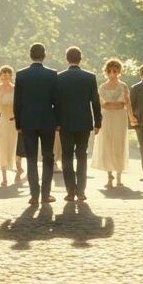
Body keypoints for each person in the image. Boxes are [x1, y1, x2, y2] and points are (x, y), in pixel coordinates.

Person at [54, 46, 102, 202]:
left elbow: (56, 103)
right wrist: (98, 122)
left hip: (65, 123)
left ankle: (70, 191)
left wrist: (56, 122)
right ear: (80, 59)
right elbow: (95, 101)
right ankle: (81, 191)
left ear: (67, 59)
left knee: (67, 157)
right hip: (84, 122)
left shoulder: (59, 77)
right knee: (82, 156)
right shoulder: (90, 77)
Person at [13, 43, 59, 205]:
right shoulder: (52, 74)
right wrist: (57, 121)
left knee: (31, 158)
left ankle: (34, 195)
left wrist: (18, 123)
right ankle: (45, 194)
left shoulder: (21, 75)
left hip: (27, 120)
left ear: (30, 55)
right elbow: (57, 101)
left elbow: (17, 102)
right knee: (48, 157)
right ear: (44, 56)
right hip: (47, 120)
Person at [90, 59, 131, 187]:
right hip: (107, 118)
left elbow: (127, 103)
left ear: (119, 71)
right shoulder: (102, 87)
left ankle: (119, 177)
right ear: (106, 72)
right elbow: (102, 104)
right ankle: (109, 176)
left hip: (120, 117)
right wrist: (115, 105)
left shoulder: (123, 86)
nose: (112, 73)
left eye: (115, 71)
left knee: (119, 144)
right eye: (110, 71)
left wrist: (132, 117)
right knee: (107, 145)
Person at [0, 65, 23, 186]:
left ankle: (18, 169)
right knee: (2, 147)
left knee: (15, 146)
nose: (6, 75)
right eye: (3, 73)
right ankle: (4, 177)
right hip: (1, 121)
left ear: (11, 76)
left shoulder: (16, 89)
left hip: (13, 120)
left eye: (8, 73)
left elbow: (20, 105)